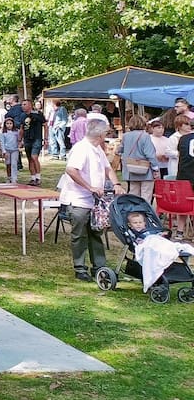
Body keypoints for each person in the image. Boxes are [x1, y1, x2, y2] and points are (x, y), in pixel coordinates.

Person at [59, 119, 125, 281]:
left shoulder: (97, 149)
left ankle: (99, 267)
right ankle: (80, 268)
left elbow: (108, 168)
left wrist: (116, 183)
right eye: (106, 132)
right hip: (78, 199)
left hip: (94, 200)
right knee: (79, 235)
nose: (107, 134)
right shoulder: (81, 149)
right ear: (101, 134)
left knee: (96, 231)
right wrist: (90, 187)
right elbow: (71, 170)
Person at [120, 115, 161, 204]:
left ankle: (133, 214)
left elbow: (120, 150)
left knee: (134, 194)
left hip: (131, 169)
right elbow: (150, 154)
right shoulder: (145, 136)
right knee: (146, 195)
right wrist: (155, 169)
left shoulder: (125, 136)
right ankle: (144, 215)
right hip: (145, 170)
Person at [20, 100, 46, 185]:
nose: (23, 106)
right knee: (30, 159)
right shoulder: (22, 115)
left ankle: (38, 177)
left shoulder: (38, 114)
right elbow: (22, 128)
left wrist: (46, 138)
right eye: (22, 105)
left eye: (24, 104)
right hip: (27, 139)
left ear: (30, 105)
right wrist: (20, 140)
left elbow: (45, 125)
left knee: (34, 157)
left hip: (36, 138)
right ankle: (33, 178)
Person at [1, 118, 21, 184]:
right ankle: (9, 177)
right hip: (7, 150)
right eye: (7, 124)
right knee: (8, 164)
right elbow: (2, 142)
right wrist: (4, 151)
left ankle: (14, 178)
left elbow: (19, 139)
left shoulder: (16, 132)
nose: (9, 125)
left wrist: (19, 145)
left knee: (14, 164)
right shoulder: (4, 133)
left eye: (10, 124)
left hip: (15, 150)